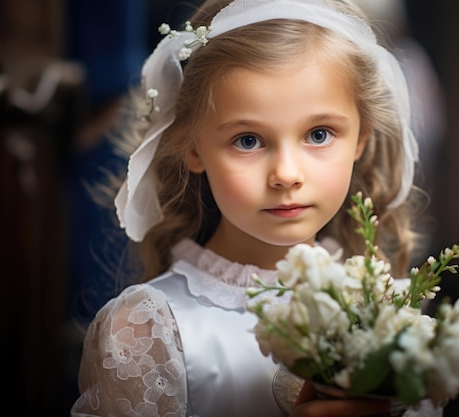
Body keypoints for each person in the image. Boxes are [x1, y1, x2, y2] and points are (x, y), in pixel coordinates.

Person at [70, 0, 437, 416]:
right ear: (193, 146)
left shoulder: (386, 315)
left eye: (319, 134)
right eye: (248, 140)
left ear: (361, 138)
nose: (286, 174)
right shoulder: (149, 330)